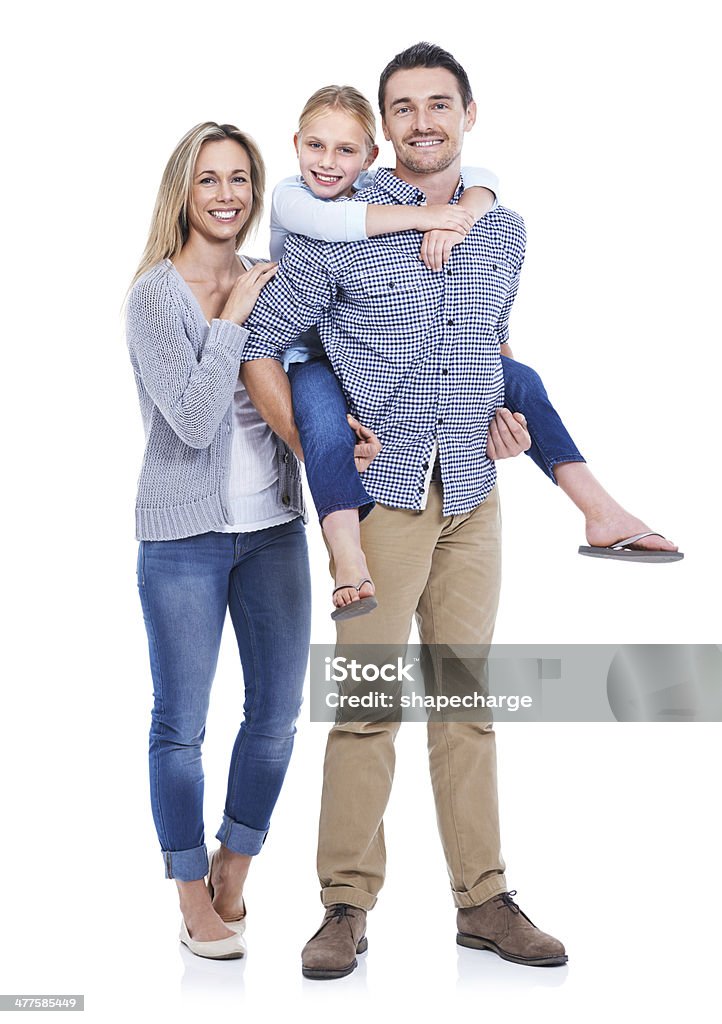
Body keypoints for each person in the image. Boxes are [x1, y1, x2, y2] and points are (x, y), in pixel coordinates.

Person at [239, 42, 570, 977]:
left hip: (472, 489)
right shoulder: (335, 223)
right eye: (405, 108)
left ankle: (485, 900)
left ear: (470, 115)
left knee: (467, 703)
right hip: (380, 500)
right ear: (386, 127)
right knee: (368, 709)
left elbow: (491, 342)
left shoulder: (502, 231)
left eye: (439, 104)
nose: (423, 121)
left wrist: (505, 415)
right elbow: (264, 343)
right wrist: (321, 438)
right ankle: (344, 904)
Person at [126, 122, 314, 960]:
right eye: (210, 179)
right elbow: (197, 421)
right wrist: (234, 317)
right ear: (184, 190)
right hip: (182, 539)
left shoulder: (272, 278)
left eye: (241, 178)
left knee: (275, 718)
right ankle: (188, 890)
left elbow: (310, 385)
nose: (228, 194)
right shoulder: (153, 296)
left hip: (273, 529)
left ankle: (233, 862)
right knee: (181, 725)